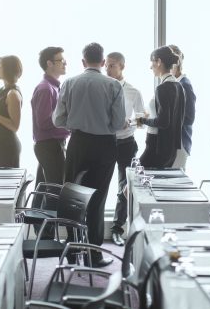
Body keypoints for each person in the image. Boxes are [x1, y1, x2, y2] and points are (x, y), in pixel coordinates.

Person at [53, 42, 126, 267]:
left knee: (72, 199)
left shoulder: (69, 83)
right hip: (104, 146)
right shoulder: (114, 85)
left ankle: (72, 252)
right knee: (97, 199)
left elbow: (58, 120)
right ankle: (93, 256)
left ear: (83, 62)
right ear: (103, 62)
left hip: (78, 143)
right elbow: (118, 123)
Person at [105, 52, 145, 247]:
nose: (107, 68)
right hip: (104, 142)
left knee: (124, 187)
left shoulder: (133, 92)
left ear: (122, 66)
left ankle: (116, 229)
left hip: (126, 143)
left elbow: (142, 121)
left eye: (112, 65)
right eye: (106, 65)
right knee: (101, 185)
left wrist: (128, 122)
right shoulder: (101, 88)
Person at [137, 46, 186, 168]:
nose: (150, 67)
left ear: (158, 62)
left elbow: (163, 122)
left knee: (134, 175)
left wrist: (142, 120)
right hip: (171, 148)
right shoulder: (179, 86)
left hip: (157, 145)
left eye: (152, 62)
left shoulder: (162, 88)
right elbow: (179, 118)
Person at [31, 47, 70, 186]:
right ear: (49, 63)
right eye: (61, 60)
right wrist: (69, 126)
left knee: (43, 190)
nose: (65, 63)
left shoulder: (53, 87)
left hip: (50, 145)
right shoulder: (46, 89)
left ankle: (35, 209)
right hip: (49, 146)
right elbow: (44, 122)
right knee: (55, 191)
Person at [169, 44, 196, 171]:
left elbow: (189, 117)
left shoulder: (184, 85)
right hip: (174, 141)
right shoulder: (174, 83)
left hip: (180, 142)